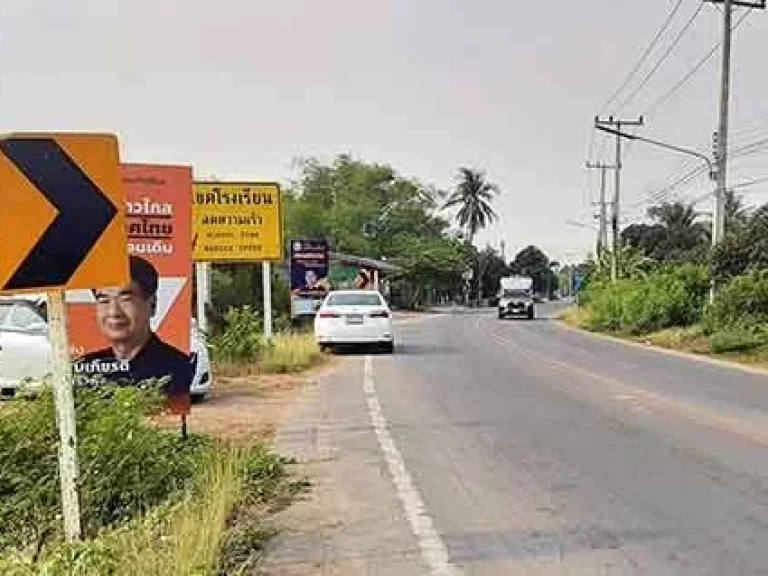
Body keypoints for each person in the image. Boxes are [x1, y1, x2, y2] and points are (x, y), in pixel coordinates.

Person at [73, 255, 193, 412]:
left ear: (152, 305)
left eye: (125, 299)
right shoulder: (85, 367)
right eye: (104, 300)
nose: (113, 312)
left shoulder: (177, 366)